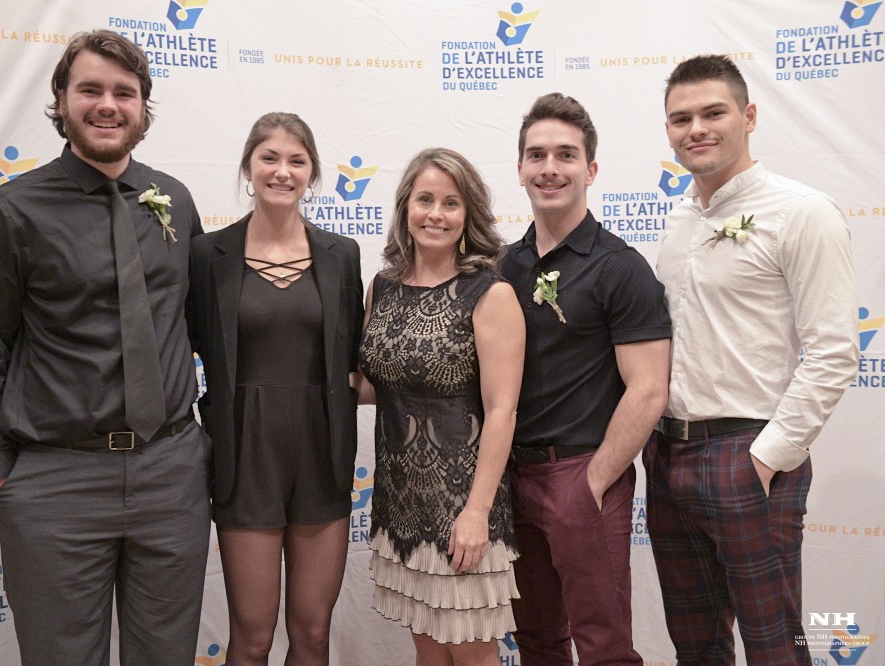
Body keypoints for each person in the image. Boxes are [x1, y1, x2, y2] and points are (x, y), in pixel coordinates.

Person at [0, 30, 211, 665]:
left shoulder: (173, 201)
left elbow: (204, 324)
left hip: (170, 472)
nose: (108, 105)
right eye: (90, 90)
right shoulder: (16, 209)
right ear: (62, 101)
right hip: (55, 481)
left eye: (124, 93)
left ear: (143, 108)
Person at [646, 54, 859, 664]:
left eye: (713, 112)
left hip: (749, 451)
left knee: (776, 648)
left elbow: (835, 351)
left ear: (750, 115)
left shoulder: (802, 212)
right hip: (668, 455)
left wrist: (766, 459)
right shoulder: (678, 220)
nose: (696, 129)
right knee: (696, 647)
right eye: (680, 118)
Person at [186, 112, 363, 665]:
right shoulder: (206, 256)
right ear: (248, 167)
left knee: (312, 636)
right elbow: (182, 347)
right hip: (244, 459)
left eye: (297, 160)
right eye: (270, 158)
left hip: (321, 457)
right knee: (253, 638)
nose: (282, 171)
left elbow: (357, 358)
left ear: (312, 173)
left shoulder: (342, 256)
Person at [500, 93, 671, 664]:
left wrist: (593, 482)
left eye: (566, 155)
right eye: (537, 154)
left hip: (583, 473)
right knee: (538, 641)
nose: (550, 168)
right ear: (520, 168)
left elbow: (649, 388)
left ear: (591, 170)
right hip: (511, 477)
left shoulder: (620, 267)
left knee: (603, 645)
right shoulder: (503, 266)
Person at [357, 147, 525, 666]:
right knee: (429, 652)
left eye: (451, 203)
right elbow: (374, 386)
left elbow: (502, 410)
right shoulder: (382, 287)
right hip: (401, 502)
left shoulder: (490, 293)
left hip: (462, 504)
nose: (435, 213)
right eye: (424, 198)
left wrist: (475, 513)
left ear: (468, 215)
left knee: (471, 655)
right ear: (405, 206)